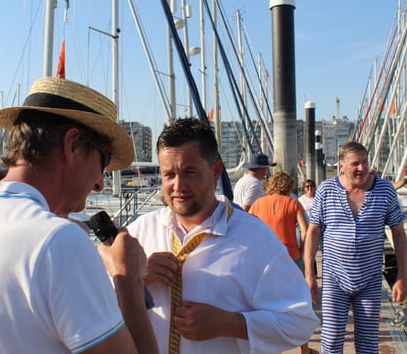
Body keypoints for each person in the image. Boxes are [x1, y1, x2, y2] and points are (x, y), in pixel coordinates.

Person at [0, 77, 158, 354]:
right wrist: (128, 279)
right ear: (73, 144)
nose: (100, 183)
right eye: (104, 161)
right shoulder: (60, 242)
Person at [128, 118, 319, 354]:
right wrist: (135, 280)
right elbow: (99, 308)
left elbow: (300, 321)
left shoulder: (255, 239)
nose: (178, 185)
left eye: (189, 172)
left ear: (216, 171)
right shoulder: (139, 232)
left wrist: (229, 323)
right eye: (169, 175)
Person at [304, 141, 407, 354]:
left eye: (364, 162)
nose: (362, 168)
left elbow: (398, 233)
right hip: (334, 278)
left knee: (368, 344)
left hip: (370, 278)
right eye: (355, 164)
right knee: (331, 341)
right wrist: (309, 274)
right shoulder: (326, 190)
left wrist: (401, 277)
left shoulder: (385, 190)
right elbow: (314, 231)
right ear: (342, 165)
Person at [249, 172, 316, 354]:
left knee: (268, 305)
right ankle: (304, 349)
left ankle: (273, 348)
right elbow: (305, 231)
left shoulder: (257, 204)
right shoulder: (294, 204)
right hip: (290, 257)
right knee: (298, 303)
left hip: (264, 259)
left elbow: (250, 229)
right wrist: (303, 252)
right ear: (289, 187)